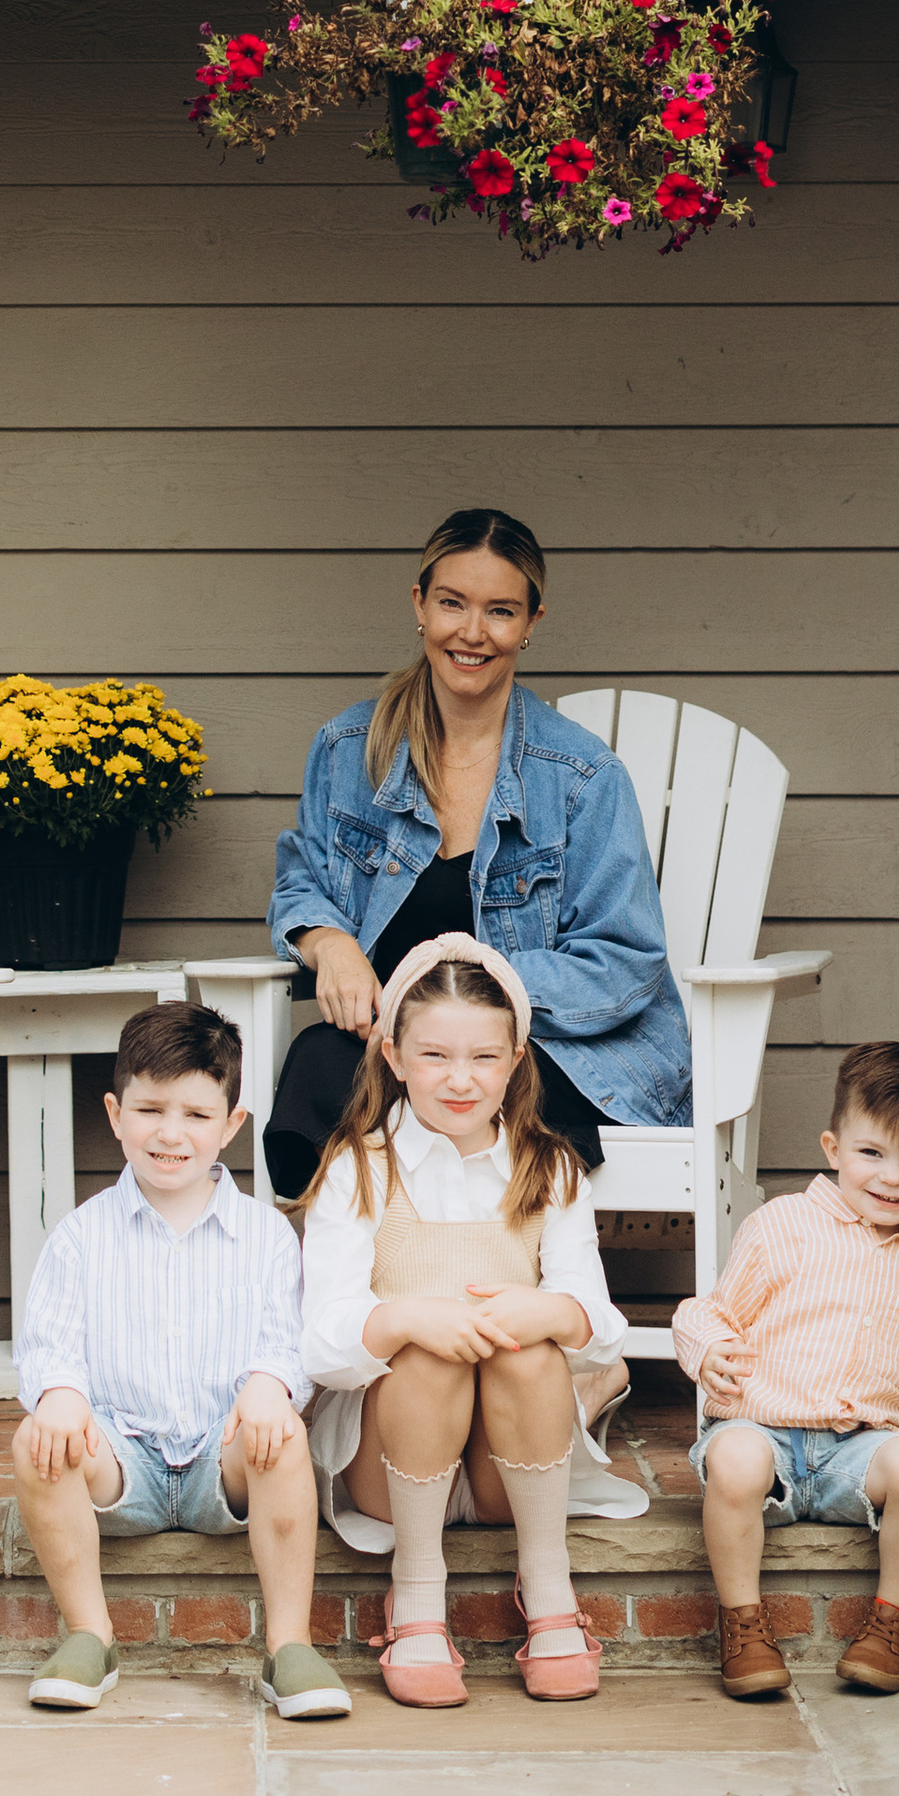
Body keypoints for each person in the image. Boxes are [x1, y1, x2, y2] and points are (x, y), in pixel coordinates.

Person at [263, 506, 688, 1293]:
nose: (473, 631)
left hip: (539, 1049)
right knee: (317, 1066)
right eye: (453, 602)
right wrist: (330, 943)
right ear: (419, 603)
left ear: (531, 623)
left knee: (494, 1087)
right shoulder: (350, 750)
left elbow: (624, 958)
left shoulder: (583, 777)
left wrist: (482, 991)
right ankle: (352, 1313)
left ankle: (509, 1317)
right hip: (393, 1046)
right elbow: (303, 878)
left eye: (501, 610)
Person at [300, 934, 634, 1706]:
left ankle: (547, 1587)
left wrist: (547, 1309)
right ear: (392, 1054)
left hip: (501, 1471)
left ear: (517, 1060)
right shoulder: (358, 1168)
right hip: (389, 1463)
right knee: (425, 1350)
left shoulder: (550, 1169)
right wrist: (407, 1318)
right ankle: (416, 1590)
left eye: (484, 1058)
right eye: (435, 1056)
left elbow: (601, 1317)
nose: (460, 1080)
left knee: (528, 1348)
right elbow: (320, 1341)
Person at [11, 1000, 351, 1722]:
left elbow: (284, 1340)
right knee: (39, 1438)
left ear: (231, 1125)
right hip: (122, 1463)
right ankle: (88, 1633)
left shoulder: (264, 1235)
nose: (171, 1134)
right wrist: (62, 1395)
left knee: (283, 1433)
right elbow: (50, 1343)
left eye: (197, 1115)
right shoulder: (80, 1237)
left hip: (220, 1460)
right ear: (115, 1113)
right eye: (150, 1109)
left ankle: (288, 1644)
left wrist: (267, 1386)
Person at [675, 1040, 899, 1701]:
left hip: (855, 1457)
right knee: (737, 1461)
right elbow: (709, 1311)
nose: (893, 1178)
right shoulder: (780, 1225)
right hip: (764, 1435)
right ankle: (743, 1625)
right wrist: (708, 1352)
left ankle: (889, 1627)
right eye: (872, 1154)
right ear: (834, 1148)